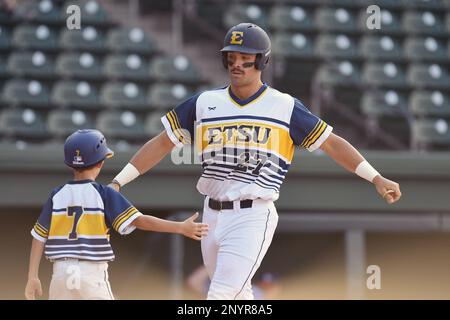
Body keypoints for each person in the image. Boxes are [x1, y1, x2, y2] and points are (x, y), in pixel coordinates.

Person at [109, 23, 402, 300]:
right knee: (240, 296)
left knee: (220, 294)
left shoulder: (284, 106)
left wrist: (376, 177)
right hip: (211, 215)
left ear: (262, 62)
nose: (237, 64)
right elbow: (162, 142)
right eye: (231, 57)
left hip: (252, 214)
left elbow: (332, 143)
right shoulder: (203, 103)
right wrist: (120, 180)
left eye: (246, 59)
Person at [24, 129, 208, 300]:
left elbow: (38, 236)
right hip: (91, 272)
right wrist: (180, 227)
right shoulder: (103, 193)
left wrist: (33, 276)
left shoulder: (57, 194)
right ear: (101, 162)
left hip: (60, 273)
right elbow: (141, 221)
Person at [187, 265, 281, 300]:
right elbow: (193, 283)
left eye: (269, 286)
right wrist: (213, 263)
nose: (268, 288)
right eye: (265, 284)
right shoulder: (225, 289)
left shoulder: (256, 293)